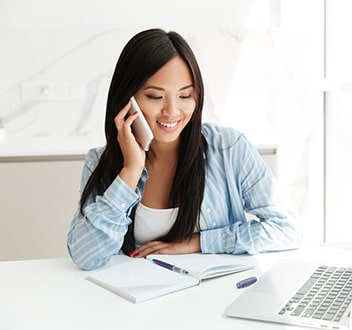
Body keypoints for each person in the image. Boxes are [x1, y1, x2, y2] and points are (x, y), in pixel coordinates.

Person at [67, 28, 302, 270]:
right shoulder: (100, 161)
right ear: (128, 98)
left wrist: (199, 242)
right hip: (137, 301)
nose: (172, 111)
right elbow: (86, 257)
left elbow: (287, 229)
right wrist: (130, 171)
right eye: (155, 96)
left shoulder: (229, 148)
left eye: (185, 95)